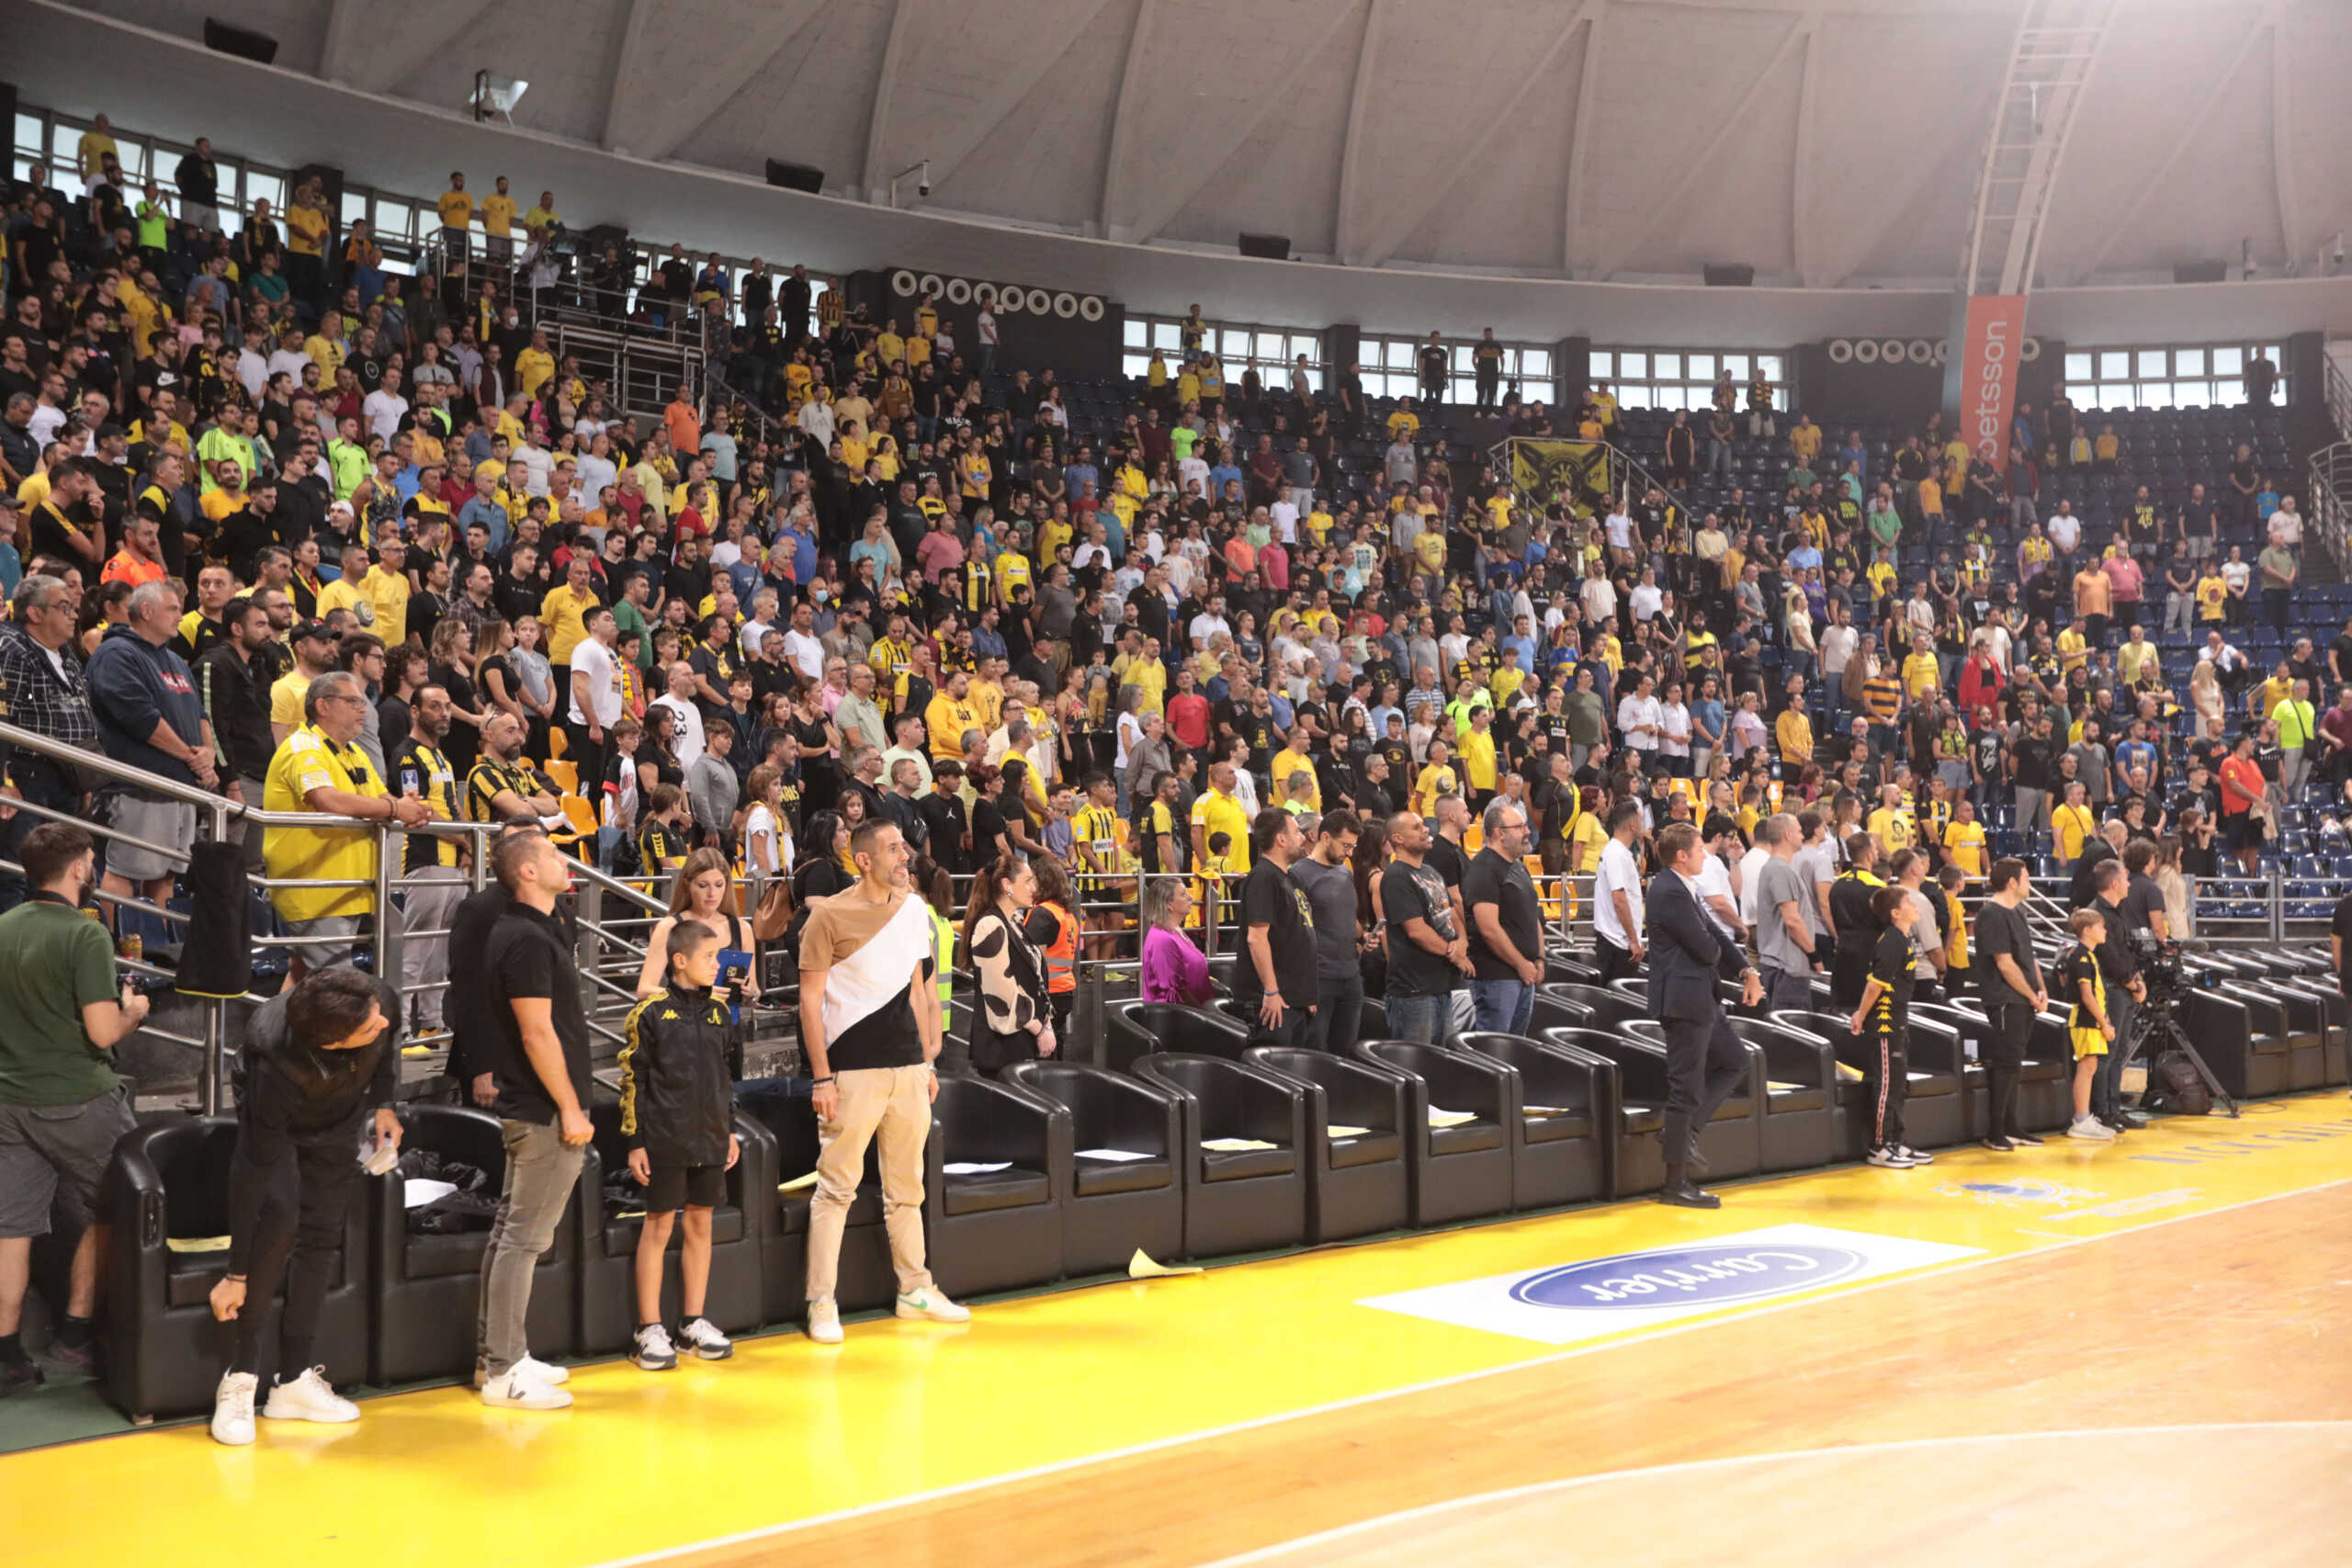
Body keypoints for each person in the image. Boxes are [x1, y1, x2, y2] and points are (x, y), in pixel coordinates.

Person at [206, 966, 402, 1444]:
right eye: (368, 1028)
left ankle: (292, 1380)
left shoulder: (372, 1002)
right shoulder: (272, 1058)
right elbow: (249, 1172)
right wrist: (235, 1274)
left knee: (321, 1235)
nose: (381, 1025)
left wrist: (384, 1102)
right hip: (281, 1123)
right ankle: (239, 1378)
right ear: (333, 1045)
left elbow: (388, 1042)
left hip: (339, 1120)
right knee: (278, 1227)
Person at [796, 820, 963, 1344]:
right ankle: (821, 1301)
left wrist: (927, 1063)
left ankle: (915, 1288)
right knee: (836, 1190)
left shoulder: (915, 910)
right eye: (893, 849)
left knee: (906, 1188)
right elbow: (809, 1001)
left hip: (909, 1068)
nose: (904, 855)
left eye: (903, 847)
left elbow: (918, 991)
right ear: (863, 859)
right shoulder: (828, 916)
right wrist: (821, 1076)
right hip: (851, 1070)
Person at [0, 824, 147, 1396]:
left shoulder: (3, 927)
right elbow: (103, 1028)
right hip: (79, 1098)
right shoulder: (86, 935)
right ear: (80, 869)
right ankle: (78, 1335)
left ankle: (7, 1356)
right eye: (89, 860)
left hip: (8, 1100)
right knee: (122, 1203)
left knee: (10, 1231)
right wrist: (133, 1008)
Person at [475, 831, 594, 1410]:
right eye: (551, 854)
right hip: (542, 1111)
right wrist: (570, 1106)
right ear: (525, 872)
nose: (563, 860)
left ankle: (500, 1354)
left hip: (538, 1107)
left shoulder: (544, 927)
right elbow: (535, 1031)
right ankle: (503, 1371)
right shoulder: (521, 938)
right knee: (523, 1241)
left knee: (511, 1234)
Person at [616, 922, 741, 1372]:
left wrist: (728, 1130)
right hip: (664, 1139)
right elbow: (634, 1081)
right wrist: (635, 1142)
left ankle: (692, 1322)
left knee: (701, 1226)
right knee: (658, 1227)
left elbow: (726, 1080)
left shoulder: (720, 1014)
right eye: (710, 957)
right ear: (680, 960)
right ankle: (648, 1328)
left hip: (709, 1136)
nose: (718, 965)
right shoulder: (649, 1014)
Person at [265, 672, 432, 982]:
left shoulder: (351, 751)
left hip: (345, 888)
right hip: (316, 889)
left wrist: (410, 807)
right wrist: (397, 809)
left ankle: (268, 1032)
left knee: (303, 978)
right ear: (323, 707)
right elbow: (328, 800)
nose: (363, 710)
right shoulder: (303, 746)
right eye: (353, 701)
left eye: (363, 702)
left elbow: (380, 798)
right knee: (340, 988)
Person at [1642, 821, 1766, 1209]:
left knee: (1735, 1060)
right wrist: (1720, 952)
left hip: (1701, 998)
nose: (1704, 855)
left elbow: (1715, 933)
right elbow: (1705, 948)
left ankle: (1686, 1132)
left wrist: (1748, 971)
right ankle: (1675, 1182)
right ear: (1682, 855)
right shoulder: (1667, 889)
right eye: (1699, 850)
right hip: (1683, 1001)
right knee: (1686, 1088)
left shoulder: (1683, 888)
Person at [1849, 886, 1928, 1168]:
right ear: (1896, 913)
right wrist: (1860, 1014)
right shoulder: (1892, 941)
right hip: (1884, 1023)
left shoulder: (1904, 939)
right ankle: (1879, 1146)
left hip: (1899, 1019)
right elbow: (1874, 986)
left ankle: (1896, 1141)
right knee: (1885, 1086)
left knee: (1897, 1084)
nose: (1915, 904)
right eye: (1909, 901)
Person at [1971, 857, 2048, 1152]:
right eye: (2026, 878)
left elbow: (2029, 958)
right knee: (2005, 1066)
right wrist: (2030, 995)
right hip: (2006, 1000)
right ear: (2012, 882)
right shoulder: (1991, 914)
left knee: (2014, 1065)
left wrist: (2040, 990)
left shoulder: (2017, 912)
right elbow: (2004, 964)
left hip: (2024, 999)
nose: (2030, 884)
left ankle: (2013, 1125)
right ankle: (1996, 1130)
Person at [1233, 809, 1319, 1047]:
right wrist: (1271, 992)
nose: (1303, 838)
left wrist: (1307, 994)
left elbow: (1299, 934)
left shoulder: (1291, 878)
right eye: (1296, 833)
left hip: (1294, 999)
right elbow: (1256, 938)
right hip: (1274, 1002)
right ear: (1281, 839)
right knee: (1274, 1075)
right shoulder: (1263, 877)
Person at [964, 853, 1055, 1072]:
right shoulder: (991, 925)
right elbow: (1001, 994)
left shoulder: (1013, 921)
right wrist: (1039, 1030)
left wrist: (1046, 1022)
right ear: (1007, 886)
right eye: (1027, 881)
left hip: (1023, 1042)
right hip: (1004, 1049)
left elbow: (1036, 978)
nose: (1034, 887)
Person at [1464, 799, 1544, 1036]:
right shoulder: (1483, 868)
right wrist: (1521, 964)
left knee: (1515, 1048)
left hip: (1524, 975)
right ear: (1499, 833)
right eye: (1520, 827)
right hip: (1497, 978)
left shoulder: (1519, 867)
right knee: (1494, 1048)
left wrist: (1539, 958)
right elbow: (1488, 928)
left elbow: (1534, 917)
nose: (1527, 831)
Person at [1293, 809, 1366, 1051]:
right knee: (1316, 1053)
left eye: (1353, 847)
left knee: (1346, 1052)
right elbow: (1294, 932)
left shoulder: (1345, 871)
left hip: (1350, 974)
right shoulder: (1298, 873)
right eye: (1345, 845)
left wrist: (1364, 936)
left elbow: (1345, 918)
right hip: (1318, 978)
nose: (1349, 853)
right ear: (1325, 837)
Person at [2057, 906, 2119, 1142]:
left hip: (2092, 1019)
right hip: (2085, 1020)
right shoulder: (2081, 956)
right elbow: (2086, 995)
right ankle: (2081, 1119)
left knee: (2090, 1067)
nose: (2105, 931)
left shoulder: (2090, 955)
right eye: (2101, 927)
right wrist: (2103, 1023)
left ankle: (2085, 1117)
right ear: (2087, 930)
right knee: (2087, 1067)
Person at [1751, 814, 1819, 1012]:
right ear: (1788, 835)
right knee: (1792, 1034)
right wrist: (1813, 954)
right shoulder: (1781, 870)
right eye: (1799, 831)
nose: (1802, 835)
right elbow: (1792, 920)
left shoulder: (1774, 868)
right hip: (1787, 967)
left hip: (1780, 965)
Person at [1591, 799, 1646, 981]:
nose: (1643, 825)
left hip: (1618, 940)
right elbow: (1620, 900)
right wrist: (1633, 940)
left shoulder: (1618, 852)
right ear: (1632, 825)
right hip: (1617, 943)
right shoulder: (1616, 854)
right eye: (1641, 820)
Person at [1138, 874, 1212, 1005]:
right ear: (1169, 904)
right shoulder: (1162, 939)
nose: (1190, 897)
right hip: (1178, 1017)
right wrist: (1206, 1015)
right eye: (1183, 894)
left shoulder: (1175, 931)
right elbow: (1174, 992)